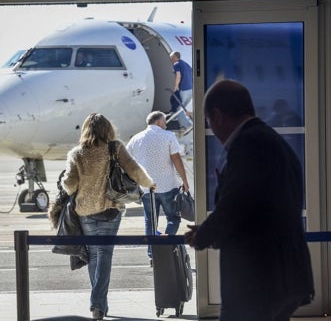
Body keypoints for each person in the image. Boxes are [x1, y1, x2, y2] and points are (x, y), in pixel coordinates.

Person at [184, 79, 314, 321]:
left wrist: (204, 234)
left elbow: (237, 203)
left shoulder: (248, 145)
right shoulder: (272, 141)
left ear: (217, 114)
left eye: (209, 122)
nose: (212, 129)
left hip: (258, 278)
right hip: (283, 274)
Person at [62, 113, 155, 320]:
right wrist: (149, 183)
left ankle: (98, 303)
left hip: (85, 211)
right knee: (104, 254)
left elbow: (69, 185)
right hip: (110, 209)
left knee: (94, 254)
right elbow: (134, 170)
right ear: (108, 130)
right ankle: (98, 304)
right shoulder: (115, 148)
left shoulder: (77, 154)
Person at [126, 111, 189, 264]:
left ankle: (152, 255)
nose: (166, 124)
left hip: (147, 188)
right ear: (159, 122)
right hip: (168, 186)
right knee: (173, 219)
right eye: (165, 121)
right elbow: (176, 159)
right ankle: (166, 246)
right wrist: (185, 181)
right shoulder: (168, 136)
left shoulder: (136, 138)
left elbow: (127, 161)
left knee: (150, 222)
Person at [170, 51, 193, 130]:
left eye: (172, 58)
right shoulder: (186, 64)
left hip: (183, 90)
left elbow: (178, 76)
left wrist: (176, 86)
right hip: (190, 90)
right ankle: (181, 121)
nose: (171, 60)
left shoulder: (176, 64)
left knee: (178, 108)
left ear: (175, 57)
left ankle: (186, 125)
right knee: (182, 108)